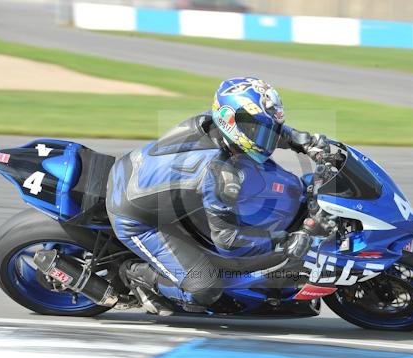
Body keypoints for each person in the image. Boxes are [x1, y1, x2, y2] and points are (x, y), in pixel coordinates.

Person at [106, 77, 329, 315]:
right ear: (232, 123)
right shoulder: (221, 175)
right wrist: (285, 242)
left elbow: (264, 125)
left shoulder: (215, 123)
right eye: (259, 130)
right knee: (205, 287)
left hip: (138, 174)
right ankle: (135, 273)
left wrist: (300, 140)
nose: (268, 137)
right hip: (136, 217)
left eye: (266, 130)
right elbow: (228, 242)